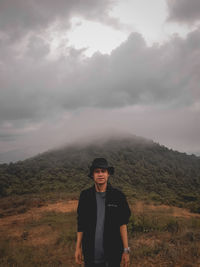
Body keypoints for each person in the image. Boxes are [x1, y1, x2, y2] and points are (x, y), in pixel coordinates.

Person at [75, 158, 131, 267]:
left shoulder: (118, 196)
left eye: (103, 171)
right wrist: (78, 248)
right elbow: (81, 224)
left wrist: (126, 250)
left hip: (113, 254)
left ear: (108, 174)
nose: (100, 174)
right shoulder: (85, 196)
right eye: (97, 171)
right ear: (92, 175)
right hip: (90, 254)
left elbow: (122, 224)